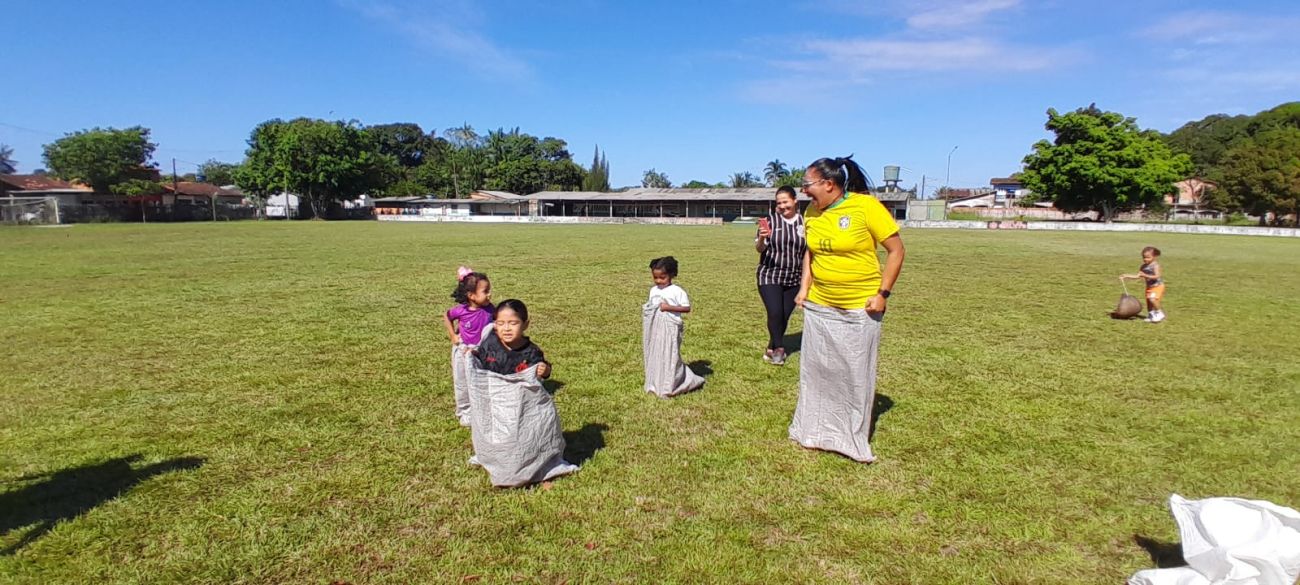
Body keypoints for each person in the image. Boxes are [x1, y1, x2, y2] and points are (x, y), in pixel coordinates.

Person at [788, 155, 905, 464]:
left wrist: (882, 294)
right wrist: (804, 288)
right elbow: (810, 253)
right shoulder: (812, 211)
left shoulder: (866, 207)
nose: (803, 190)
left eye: (807, 184)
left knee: (854, 374)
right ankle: (813, 431)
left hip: (859, 307)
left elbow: (896, 251)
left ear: (829, 184)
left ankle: (849, 437)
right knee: (818, 372)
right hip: (820, 306)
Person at [755, 186, 808, 366]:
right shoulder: (770, 220)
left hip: (794, 277)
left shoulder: (805, 222)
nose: (782, 206)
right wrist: (762, 238)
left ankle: (771, 347)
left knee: (783, 316)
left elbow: (808, 250)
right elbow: (760, 249)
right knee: (775, 312)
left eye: (785, 202)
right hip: (770, 274)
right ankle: (779, 349)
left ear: (795, 201)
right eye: (779, 203)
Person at [643, 256, 704, 397]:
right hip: (656, 328)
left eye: (662, 277)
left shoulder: (677, 291)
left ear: (671, 275)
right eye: (655, 277)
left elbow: (686, 308)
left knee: (670, 355)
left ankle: (672, 385)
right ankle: (656, 383)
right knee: (657, 354)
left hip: (671, 327)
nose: (658, 281)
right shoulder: (653, 290)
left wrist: (668, 308)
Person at [442, 267, 494, 426]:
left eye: (489, 290)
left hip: (481, 351)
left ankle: (483, 409)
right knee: (462, 381)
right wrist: (453, 335)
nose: (489, 294)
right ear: (471, 295)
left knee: (481, 380)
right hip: (463, 351)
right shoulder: (461, 311)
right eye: (485, 291)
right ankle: (465, 412)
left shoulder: (491, 309)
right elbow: (447, 316)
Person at [473, 299, 552, 378]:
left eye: (513, 323)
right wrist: (473, 354)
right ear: (495, 325)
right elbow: (479, 358)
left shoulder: (531, 352)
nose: (506, 328)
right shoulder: (490, 343)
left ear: (525, 324)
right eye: (501, 323)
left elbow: (541, 370)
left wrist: (545, 371)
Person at [1121, 246, 1166, 323]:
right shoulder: (1143, 266)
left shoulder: (1155, 265)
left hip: (1157, 286)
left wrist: (1146, 275)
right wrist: (1126, 276)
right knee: (1149, 303)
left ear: (1154, 257)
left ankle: (1160, 313)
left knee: (1152, 299)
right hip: (1149, 287)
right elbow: (1138, 276)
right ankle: (1151, 316)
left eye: (1148, 257)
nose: (1145, 259)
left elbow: (1157, 276)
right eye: (1144, 257)